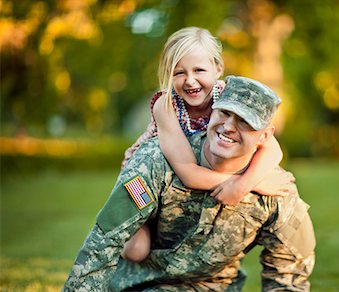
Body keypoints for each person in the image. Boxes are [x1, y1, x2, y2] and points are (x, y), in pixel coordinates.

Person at [63, 75, 316, 291]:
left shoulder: (276, 191)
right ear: (213, 109)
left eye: (244, 122)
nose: (228, 126)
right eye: (225, 112)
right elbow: (104, 241)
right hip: (140, 283)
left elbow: (289, 275)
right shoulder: (155, 162)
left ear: (265, 135)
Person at [120, 27, 287, 262]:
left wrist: (245, 182)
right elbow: (188, 172)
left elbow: (272, 147)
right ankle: (139, 230)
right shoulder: (166, 105)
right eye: (179, 73)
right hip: (141, 178)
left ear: (218, 69)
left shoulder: (228, 96)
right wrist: (246, 184)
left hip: (175, 178)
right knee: (135, 251)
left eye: (199, 70)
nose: (190, 81)